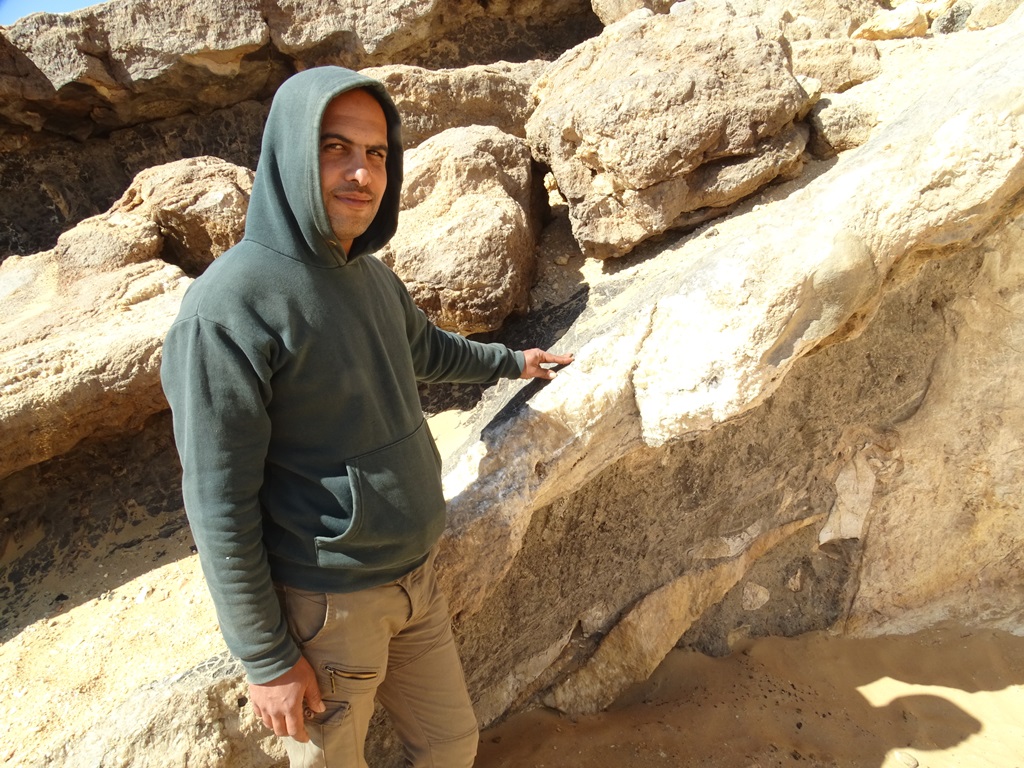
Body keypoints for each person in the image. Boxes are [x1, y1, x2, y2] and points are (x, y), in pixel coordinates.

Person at [159, 66, 572, 768]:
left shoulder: (366, 272)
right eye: (334, 148)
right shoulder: (228, 308)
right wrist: (266, 658)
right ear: (289, 153)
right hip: (329, 605)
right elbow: (218, 502)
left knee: (450, 744)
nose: (361, 173)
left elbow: (424, 349)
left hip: (416, 580)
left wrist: (512, 363)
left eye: (376, 154)